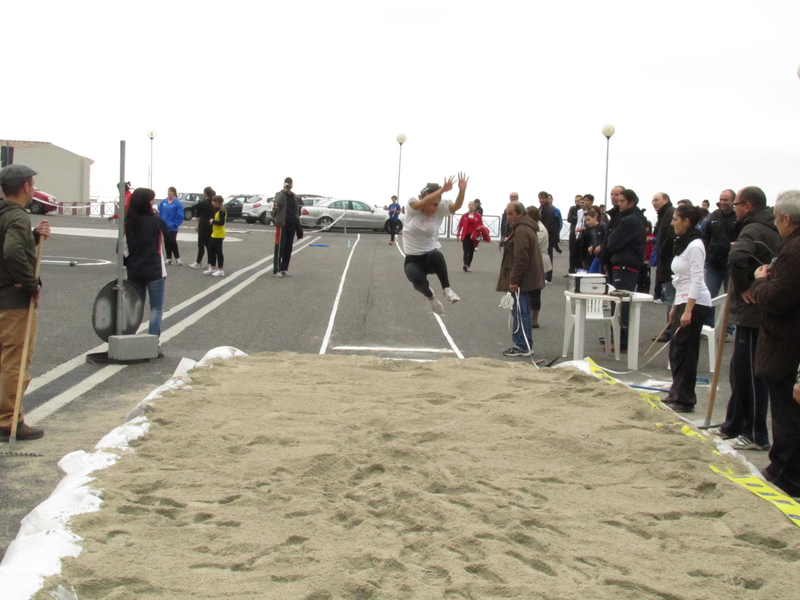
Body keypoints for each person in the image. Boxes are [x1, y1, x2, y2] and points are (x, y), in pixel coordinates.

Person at [712, 186, 780, 451]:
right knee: (739, 371)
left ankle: (755, 433)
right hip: (759, 309)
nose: (735, 209)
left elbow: (737, 258)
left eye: (737, 204)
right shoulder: (771, 227)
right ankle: (734, 424)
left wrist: (744, 288)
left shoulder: (753, 229)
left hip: (753, 312)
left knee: (750, 374)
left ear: (747, 206)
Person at [751, 190, 800, 498]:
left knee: (786, 411)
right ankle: (778, 468)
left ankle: (786, 475)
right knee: (784, 409)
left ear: (786, 219)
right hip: (785, 342)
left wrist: (760, 281)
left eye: (777, 220)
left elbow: (780, 299)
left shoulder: (794, 251)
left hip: (786, 344)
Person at [0, 164, 51, 442]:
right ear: (26, 187)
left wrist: (33, 238)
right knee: (15, 362)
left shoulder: (5, 215)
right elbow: (11, 250)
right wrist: (31, 284)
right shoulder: (18, 216)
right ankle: (10, 420)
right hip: (13, 301)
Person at [663, 205, 713, 413]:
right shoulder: (683, 243)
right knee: (676, 350)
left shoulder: (695, 246)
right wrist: (676, 306)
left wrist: (689, 309)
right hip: (682, 299)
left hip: (695, 302)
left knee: (686, 351)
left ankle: (685, 398)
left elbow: (696, 279)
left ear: (687, 221)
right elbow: (680, 280)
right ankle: (676, 391)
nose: (672, 223)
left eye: (676, 219)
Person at [403, 174, 467, 314]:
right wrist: (442, 190)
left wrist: (462, 190)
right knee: (417, 280)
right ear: (423, 199)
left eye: (436, 204)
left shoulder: (440, 209)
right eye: (430, 203)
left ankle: (447, 289)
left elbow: (456, 205)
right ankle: (431, 297)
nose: (433, 208)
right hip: (413, 258)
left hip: (430, 257)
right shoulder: (413, 206)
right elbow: (420, 204)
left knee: (436, 254)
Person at [497, 202, 545, 356]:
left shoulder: (522, 230)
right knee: (522, 311)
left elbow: (521, 257)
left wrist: (514, 280)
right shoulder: (526, 227)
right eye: (507, 214)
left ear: (520, 213)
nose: (508, 217)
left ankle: (522, 346)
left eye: (510, 214)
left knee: (520, 312)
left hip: (524, 279)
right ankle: (524, 344)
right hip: (528, 277)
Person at [124, 188, 168, 356]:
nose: (153, 203)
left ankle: (130, 340)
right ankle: (153, 344)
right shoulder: (156, 220)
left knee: (136, 306)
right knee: (156, 308)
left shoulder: (129, 221)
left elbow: (123, 249)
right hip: (155, 269)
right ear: (146, 202)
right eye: (151, 200)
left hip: (135, 269)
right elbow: (167, 240)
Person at [602, 188, 646, 352]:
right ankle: (618, 339)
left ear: (631, 202)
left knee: (621, 304)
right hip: (623, 264)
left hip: (626, 265)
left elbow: (612, 242)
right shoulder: (629, 218)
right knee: (620, 304)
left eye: (621, 201)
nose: (618, 204)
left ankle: (622, 342)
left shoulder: (630, 220)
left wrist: (611, 243)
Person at [703, 189, 737, 337]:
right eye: (721, 199)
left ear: (733, 201)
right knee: (709, 295)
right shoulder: (713, 216)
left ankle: (728, 330)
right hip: (713, 263)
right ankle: (708, 326)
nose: (722, 202)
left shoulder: (738, 217)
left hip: (731, 263)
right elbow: (704, 235)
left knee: (731, 298)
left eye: (726, 200)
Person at [651, 192, 676, 341]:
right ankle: (671, 330)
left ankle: (670, 331)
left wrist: (661, 253)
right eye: (653, 201)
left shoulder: (670, 214)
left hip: (670, 264)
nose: (654, 203)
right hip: (666, 262)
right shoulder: (664, 215)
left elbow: (670, 238)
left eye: (657, 200)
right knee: (670, 297)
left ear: (666, 200)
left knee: (671, 298)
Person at [526, 205, 551, 329]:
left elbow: (532, 244)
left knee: (535, 291)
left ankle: (533, 318)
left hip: (538, 260)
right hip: (536, 260)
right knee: (532, 291)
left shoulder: (539, 229)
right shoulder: (535, 227)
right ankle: (529, 316)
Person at [272, 177, 300, 277]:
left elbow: (296, 209)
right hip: (282, 224)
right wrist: (284, 191)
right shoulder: (279, 194)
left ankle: (284, 268)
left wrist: (297, 223)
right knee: (279, 247)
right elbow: (278, 202)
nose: (289, 187)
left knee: (288, 248)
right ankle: (276, 270)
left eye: (290, 185)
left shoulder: (293, 196)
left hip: (291, 224)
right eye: (287, 185)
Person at [189, 187, 215, 269]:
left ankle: (198, 262)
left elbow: (193, 207)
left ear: (205, 194)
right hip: (211, 225)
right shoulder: (213, 203)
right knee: (208, 244)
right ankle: (210, 262)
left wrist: (196, 224)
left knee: (201, 244)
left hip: (203, 224)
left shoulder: (202, 203)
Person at [158, 186, 183, 265]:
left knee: (172, 240)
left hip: (172, 226)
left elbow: (180, 215)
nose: (169, 192)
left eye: (171, 191)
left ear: (174, 193)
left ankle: (177, 257)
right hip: (164, 226)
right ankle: (168, 257)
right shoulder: (163, 202)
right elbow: (159, 212)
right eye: (168, 191)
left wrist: (174, 223)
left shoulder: (177, 203)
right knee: (166, 241)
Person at [456, 201, 483, 272]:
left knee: (471, 251)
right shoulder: (464, 216)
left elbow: (481, 225)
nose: (471, 206)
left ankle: (468, 265)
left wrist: (481, 234)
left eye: (472, 205)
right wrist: (458, 234)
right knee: (465, 251)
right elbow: (460, 225)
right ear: (468, 206)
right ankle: (465, 265)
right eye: (470, 205)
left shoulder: (478, 216)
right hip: (465, 235)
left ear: (475, 207)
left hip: (474, 236)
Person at [537, 191, 559, 282]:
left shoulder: (549, 210)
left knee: (548, 255)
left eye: (543, 198)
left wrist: (545, 235)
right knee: (544, 255)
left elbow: (549, 225)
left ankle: (548, 277)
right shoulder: (542, 208)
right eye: (540, 198)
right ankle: (544, 275)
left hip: (548, 236)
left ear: (547, 199)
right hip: (547, 235)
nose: (541, 200)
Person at [204, 195, 227, 277]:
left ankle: (221, 270)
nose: (212, 203)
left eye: (214, 201)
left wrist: (213, 221)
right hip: (214, 234)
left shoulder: (222, 211)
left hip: (219, 234)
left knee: (218, 252)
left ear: (218, 202)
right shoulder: (216, 210)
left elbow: (221, 222)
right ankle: (212, 267)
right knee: (211, 251)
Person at [583, 207, 607, 271]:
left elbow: (608, 239)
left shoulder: (602, 226)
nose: (587, 222)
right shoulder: (591, 229)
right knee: (591, 273)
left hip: (603, 256)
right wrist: (592, 246)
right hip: (597, 255)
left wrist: (601, 246)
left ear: (595, 218)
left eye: (588, 220)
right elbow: (594, 241)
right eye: (586, 220)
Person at [567, 195, 583, 274]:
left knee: (579, 251)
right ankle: (571, 269)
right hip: (573, 231)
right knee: (572, 251)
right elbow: (569, 219)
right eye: (576, 201)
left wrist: (575, 218)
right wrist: (576, 218)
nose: (577, 203)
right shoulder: (572, 208)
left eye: (579, 201)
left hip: (580, 232)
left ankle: (579, 268)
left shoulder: (582, 210)